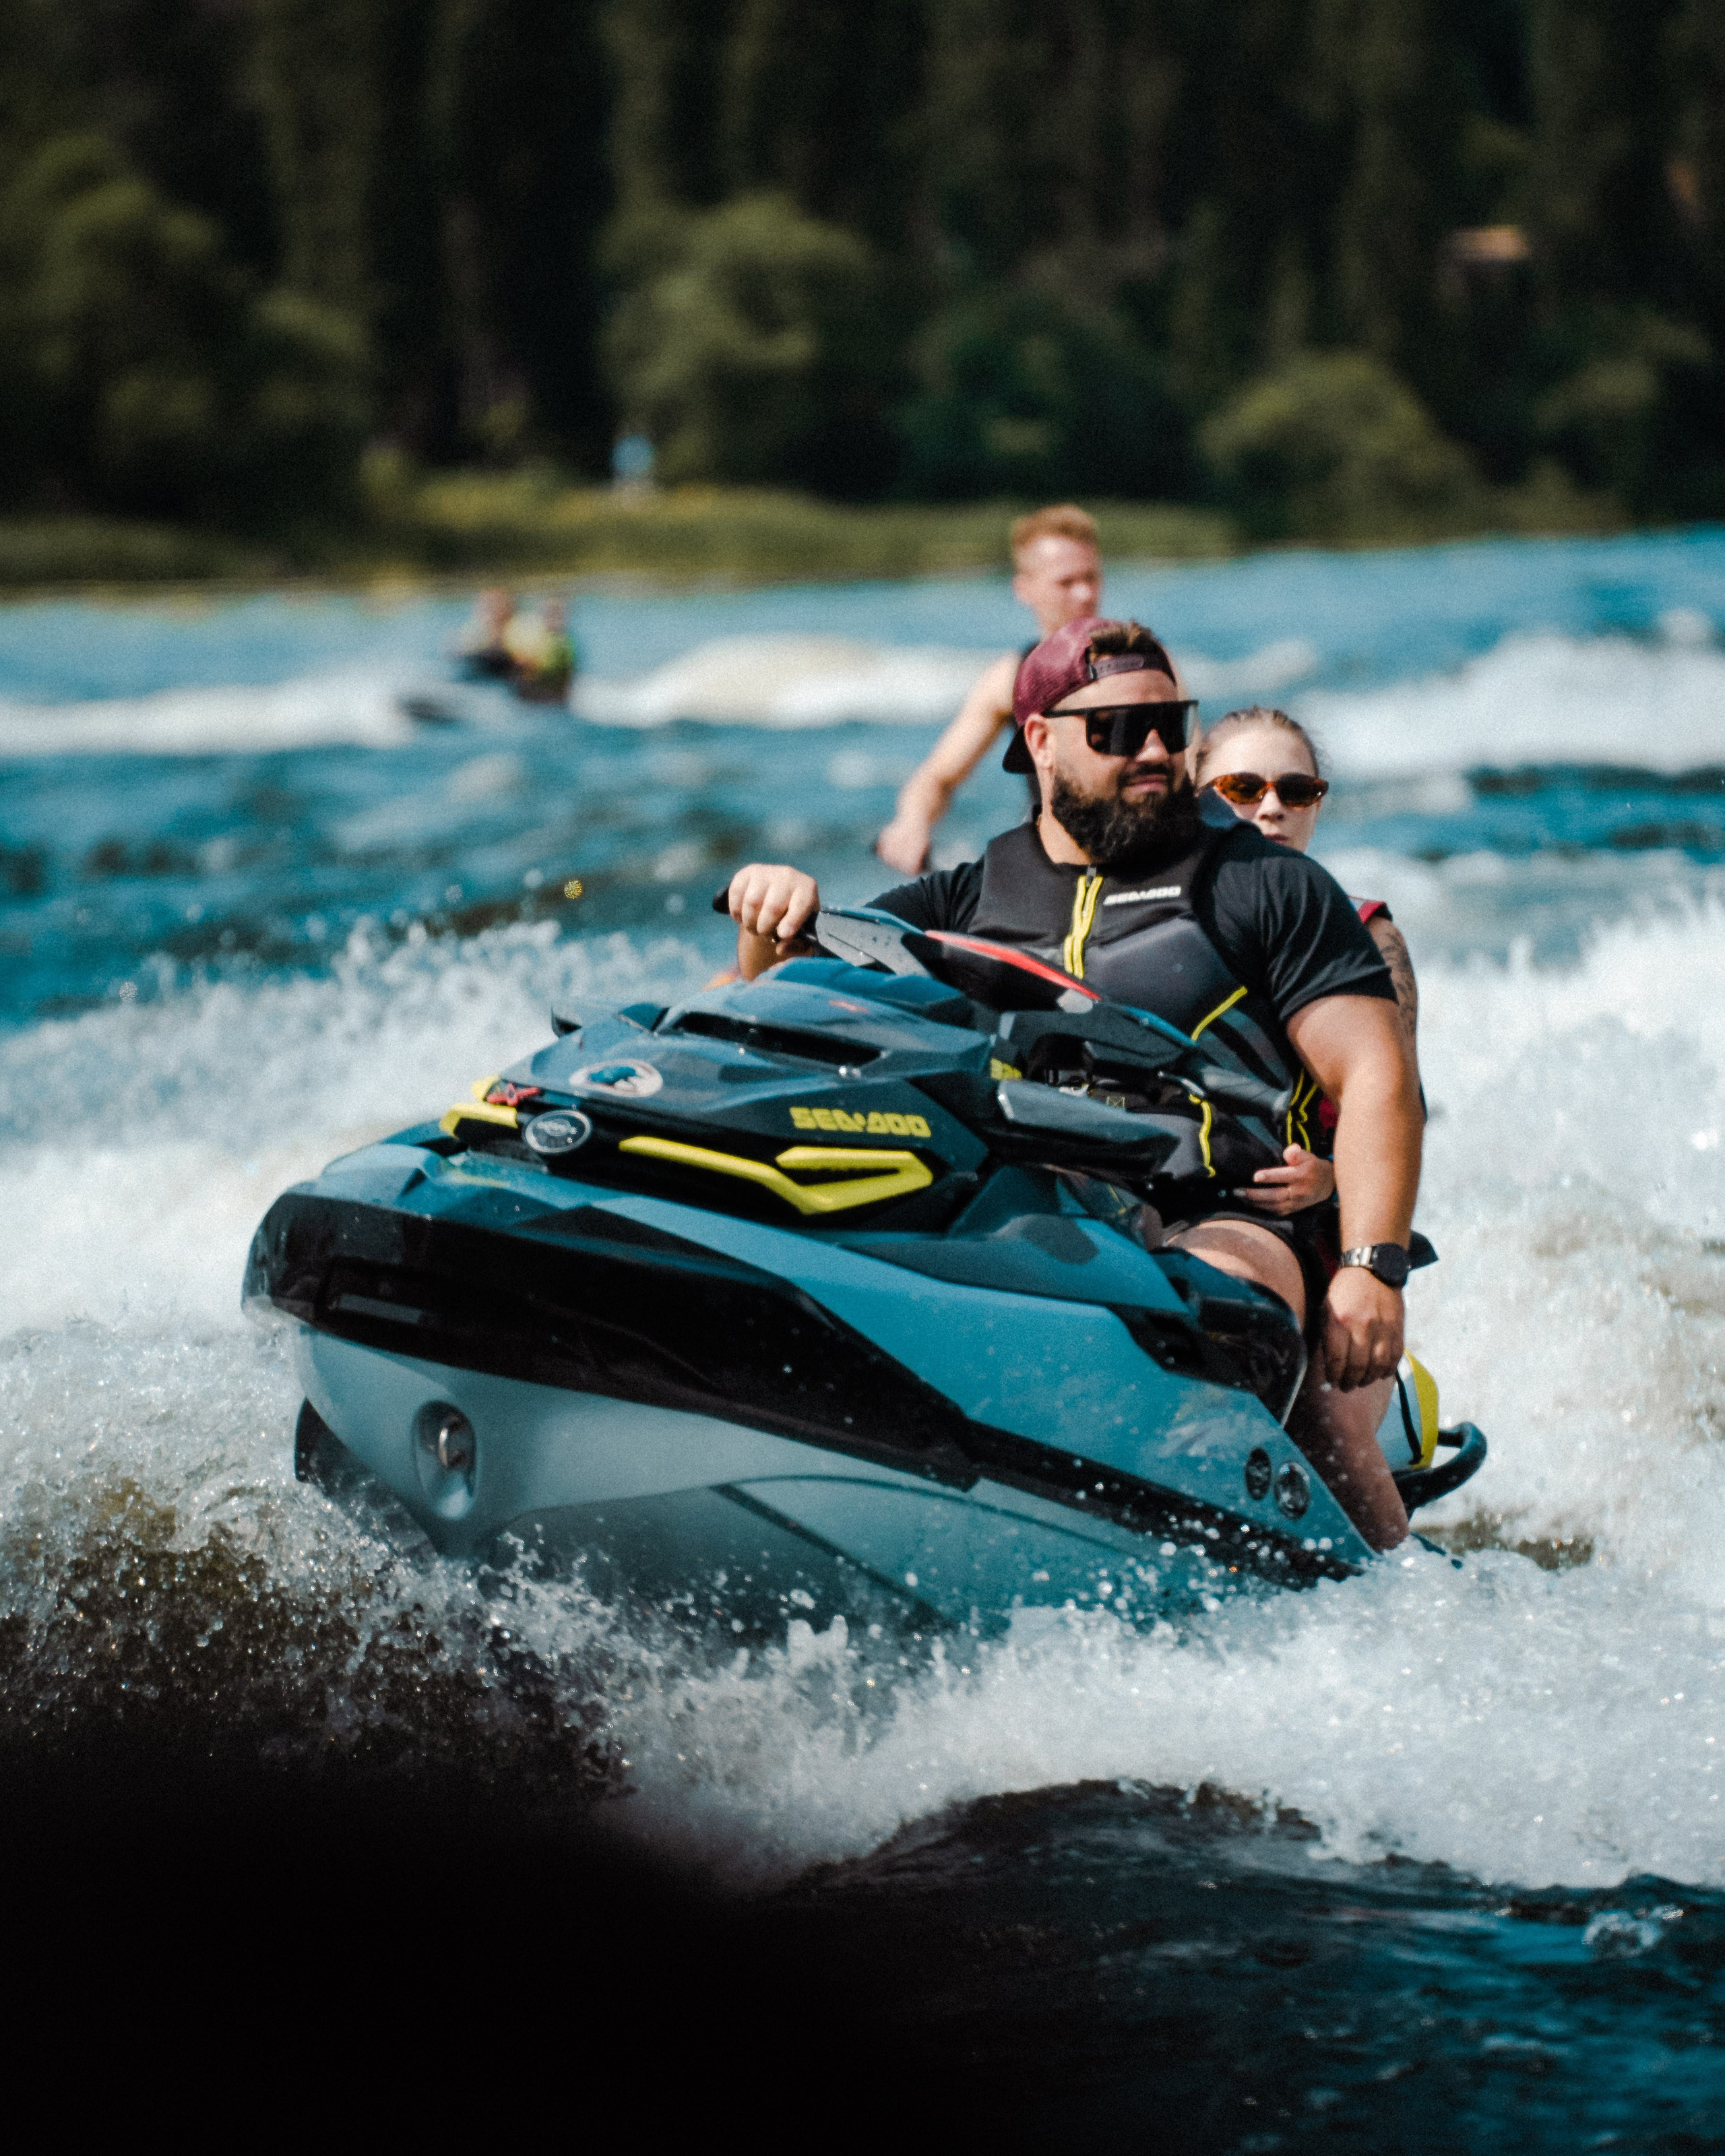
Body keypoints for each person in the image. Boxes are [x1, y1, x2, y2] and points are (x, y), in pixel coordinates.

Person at [726, 616, 1422, 1551]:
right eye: (1115, 731)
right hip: (1032, 1217)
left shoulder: (1268, 887)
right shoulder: (965, 901)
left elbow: (1376, 1072)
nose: (1150, 749)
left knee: (1207, 1302)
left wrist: (1373, 1267)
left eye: (1169, 726)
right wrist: (768, 924)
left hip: (1224, 1220)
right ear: (1039, 742)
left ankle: (1404, 1605)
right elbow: (775, 1009)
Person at [1194, 705, 1420, 1224]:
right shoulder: (1146, 917)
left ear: (1316, 808)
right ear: (1193, 800)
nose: (1272, 807)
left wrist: (1333, 1176)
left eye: (1296, 791)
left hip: (1295, 1222)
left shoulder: (1368, 935)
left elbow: (1401, 1107)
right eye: (1243, 788)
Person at [875, 503, 1103, 875]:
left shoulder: (1144, 665)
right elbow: (937, 777)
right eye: (1067, 583)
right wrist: (912, 824)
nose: (1085, 594)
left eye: (1092, 578)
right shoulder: (1010, 679)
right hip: (1056, 864)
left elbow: (1192, 763)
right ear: (1024, 589)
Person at [502, 598, 577, 704]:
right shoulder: (534, 636)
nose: (554, 618)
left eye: (558, 613)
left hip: (548, 698)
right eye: (550, 612)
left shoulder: (563, 644)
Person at [453, 587, 516, 680]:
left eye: (497, 605)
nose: (494, 611)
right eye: (488, 606)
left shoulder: (518, 635)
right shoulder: (471, 637)